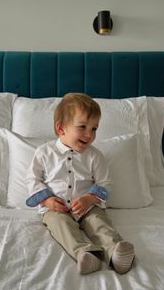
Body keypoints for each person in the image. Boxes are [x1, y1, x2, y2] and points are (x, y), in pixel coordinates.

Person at [25, 93, 135, 275]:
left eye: (94, 128)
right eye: (82, 127)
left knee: (98, 223)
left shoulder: (95, 156)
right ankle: (85, 253)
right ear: (61, 129)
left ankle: (116, 251)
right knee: (61, 227)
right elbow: (32, 179)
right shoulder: (44, 153)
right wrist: (47, 201)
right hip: (55, 208)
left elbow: (105, 182)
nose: (89, 134)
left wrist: (90, 198)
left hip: (87, 207)